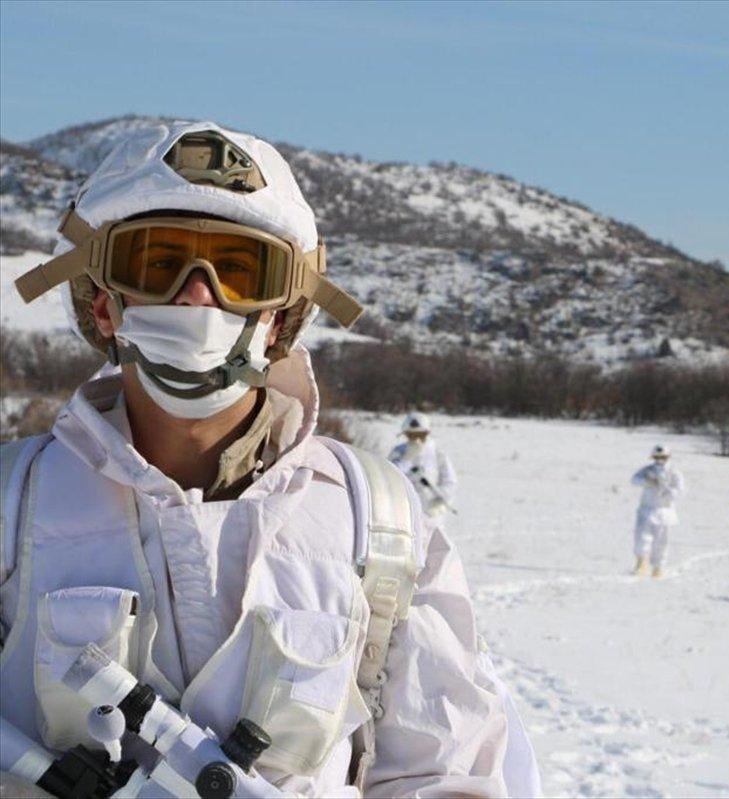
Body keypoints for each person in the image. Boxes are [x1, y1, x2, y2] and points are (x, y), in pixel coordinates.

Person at [1, 122, 537, 797]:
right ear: (104, 302)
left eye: (240, 271)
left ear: (281, 318)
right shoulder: (12, 505)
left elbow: (445, 770)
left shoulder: (380, 525)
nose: (199, 296)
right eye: (158, 264)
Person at [388, 411, 458, 528]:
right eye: (411, 435)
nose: (416, 439)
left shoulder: (438, 454)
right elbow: (389, 477)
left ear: (427, 433)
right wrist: (406, 460)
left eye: (420, 435)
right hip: (403, 516)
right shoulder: (398, 452)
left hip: (431, 517)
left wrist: (441, 498)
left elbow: (450, 482)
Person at [629, 444, 685, 578]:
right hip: (647, 509)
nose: (660, 460)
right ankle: (641, 563)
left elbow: (680, 489)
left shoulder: (674, 472)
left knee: (661, 541)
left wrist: (668, 492)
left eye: (663, 457)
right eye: (657, 457)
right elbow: (634, 480)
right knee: (641, 538)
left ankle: (658, 567)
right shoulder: (647, 470)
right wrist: (647, 481)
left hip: (664, 511)